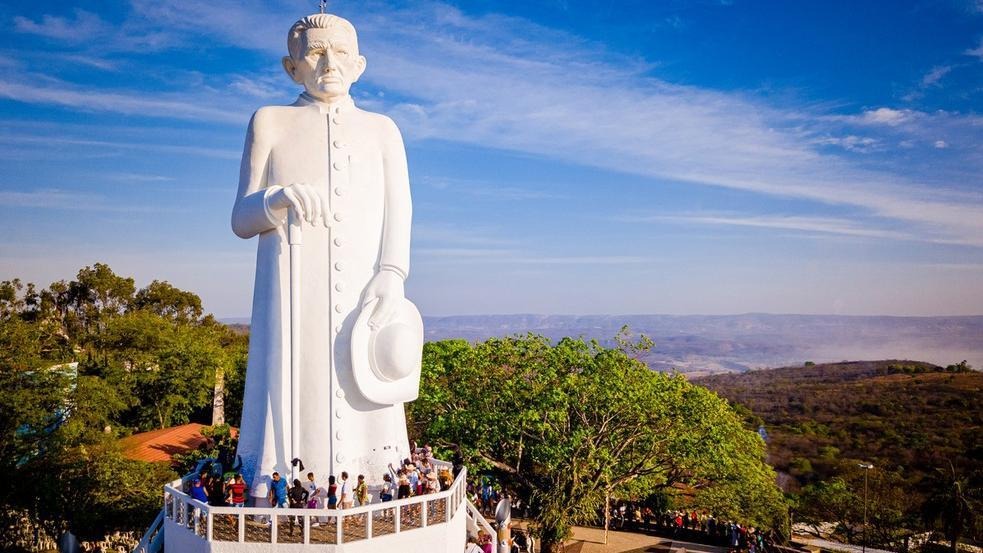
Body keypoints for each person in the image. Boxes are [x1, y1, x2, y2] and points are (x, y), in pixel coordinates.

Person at [232, 10, 417, 504]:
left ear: (359, 64)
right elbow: (240, 218)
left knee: (366, 388)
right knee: (293, 388)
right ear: (292, 67)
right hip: (292, 293)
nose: (328, 62)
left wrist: (392, 272)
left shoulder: (383, 129)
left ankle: (375, 483)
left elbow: (401, 207)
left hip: (364, 290)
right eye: (314, 51)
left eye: (339, 52)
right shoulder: (270, 120)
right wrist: (276, 199)